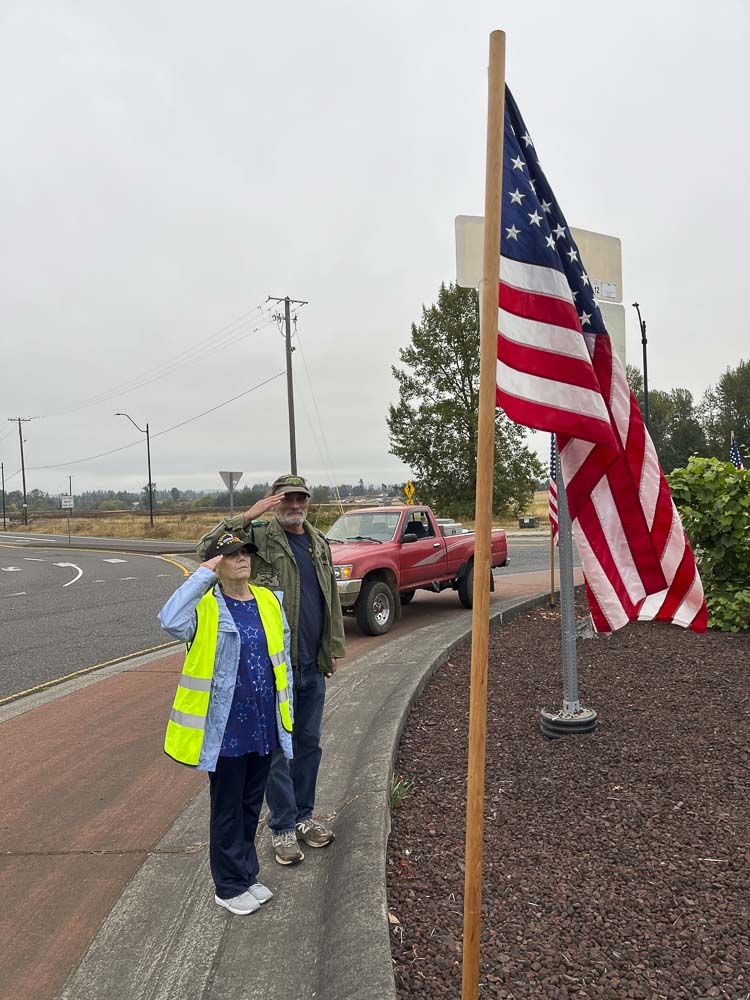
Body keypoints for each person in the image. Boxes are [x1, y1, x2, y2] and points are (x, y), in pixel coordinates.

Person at [197, 473, 346, 866]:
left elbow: (328, 596)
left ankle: (304, 817)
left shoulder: (317, 540)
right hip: (276, 667)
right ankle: (281, 826)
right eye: (286, 500)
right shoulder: (260, 535)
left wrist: (331, 647)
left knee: (309, 743)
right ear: (275, 502)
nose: (294, 506)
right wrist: (247, 516)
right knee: (279, 749)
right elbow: (205, 549)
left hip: (312, 661)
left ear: (308, 502)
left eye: (301, 499)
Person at [158, 531, 294, 914]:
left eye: (244, 552)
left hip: (264, 722)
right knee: (227, 808)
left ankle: (246, 876)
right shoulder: (205, 607)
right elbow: (169, 619)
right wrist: (202, 575)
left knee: (251, 805)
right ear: (217, 565)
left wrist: (286, 714)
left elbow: (280, 655)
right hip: (226, 728)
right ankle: (228, 886)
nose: (242, 559)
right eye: (231, 555)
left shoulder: (267, 600)